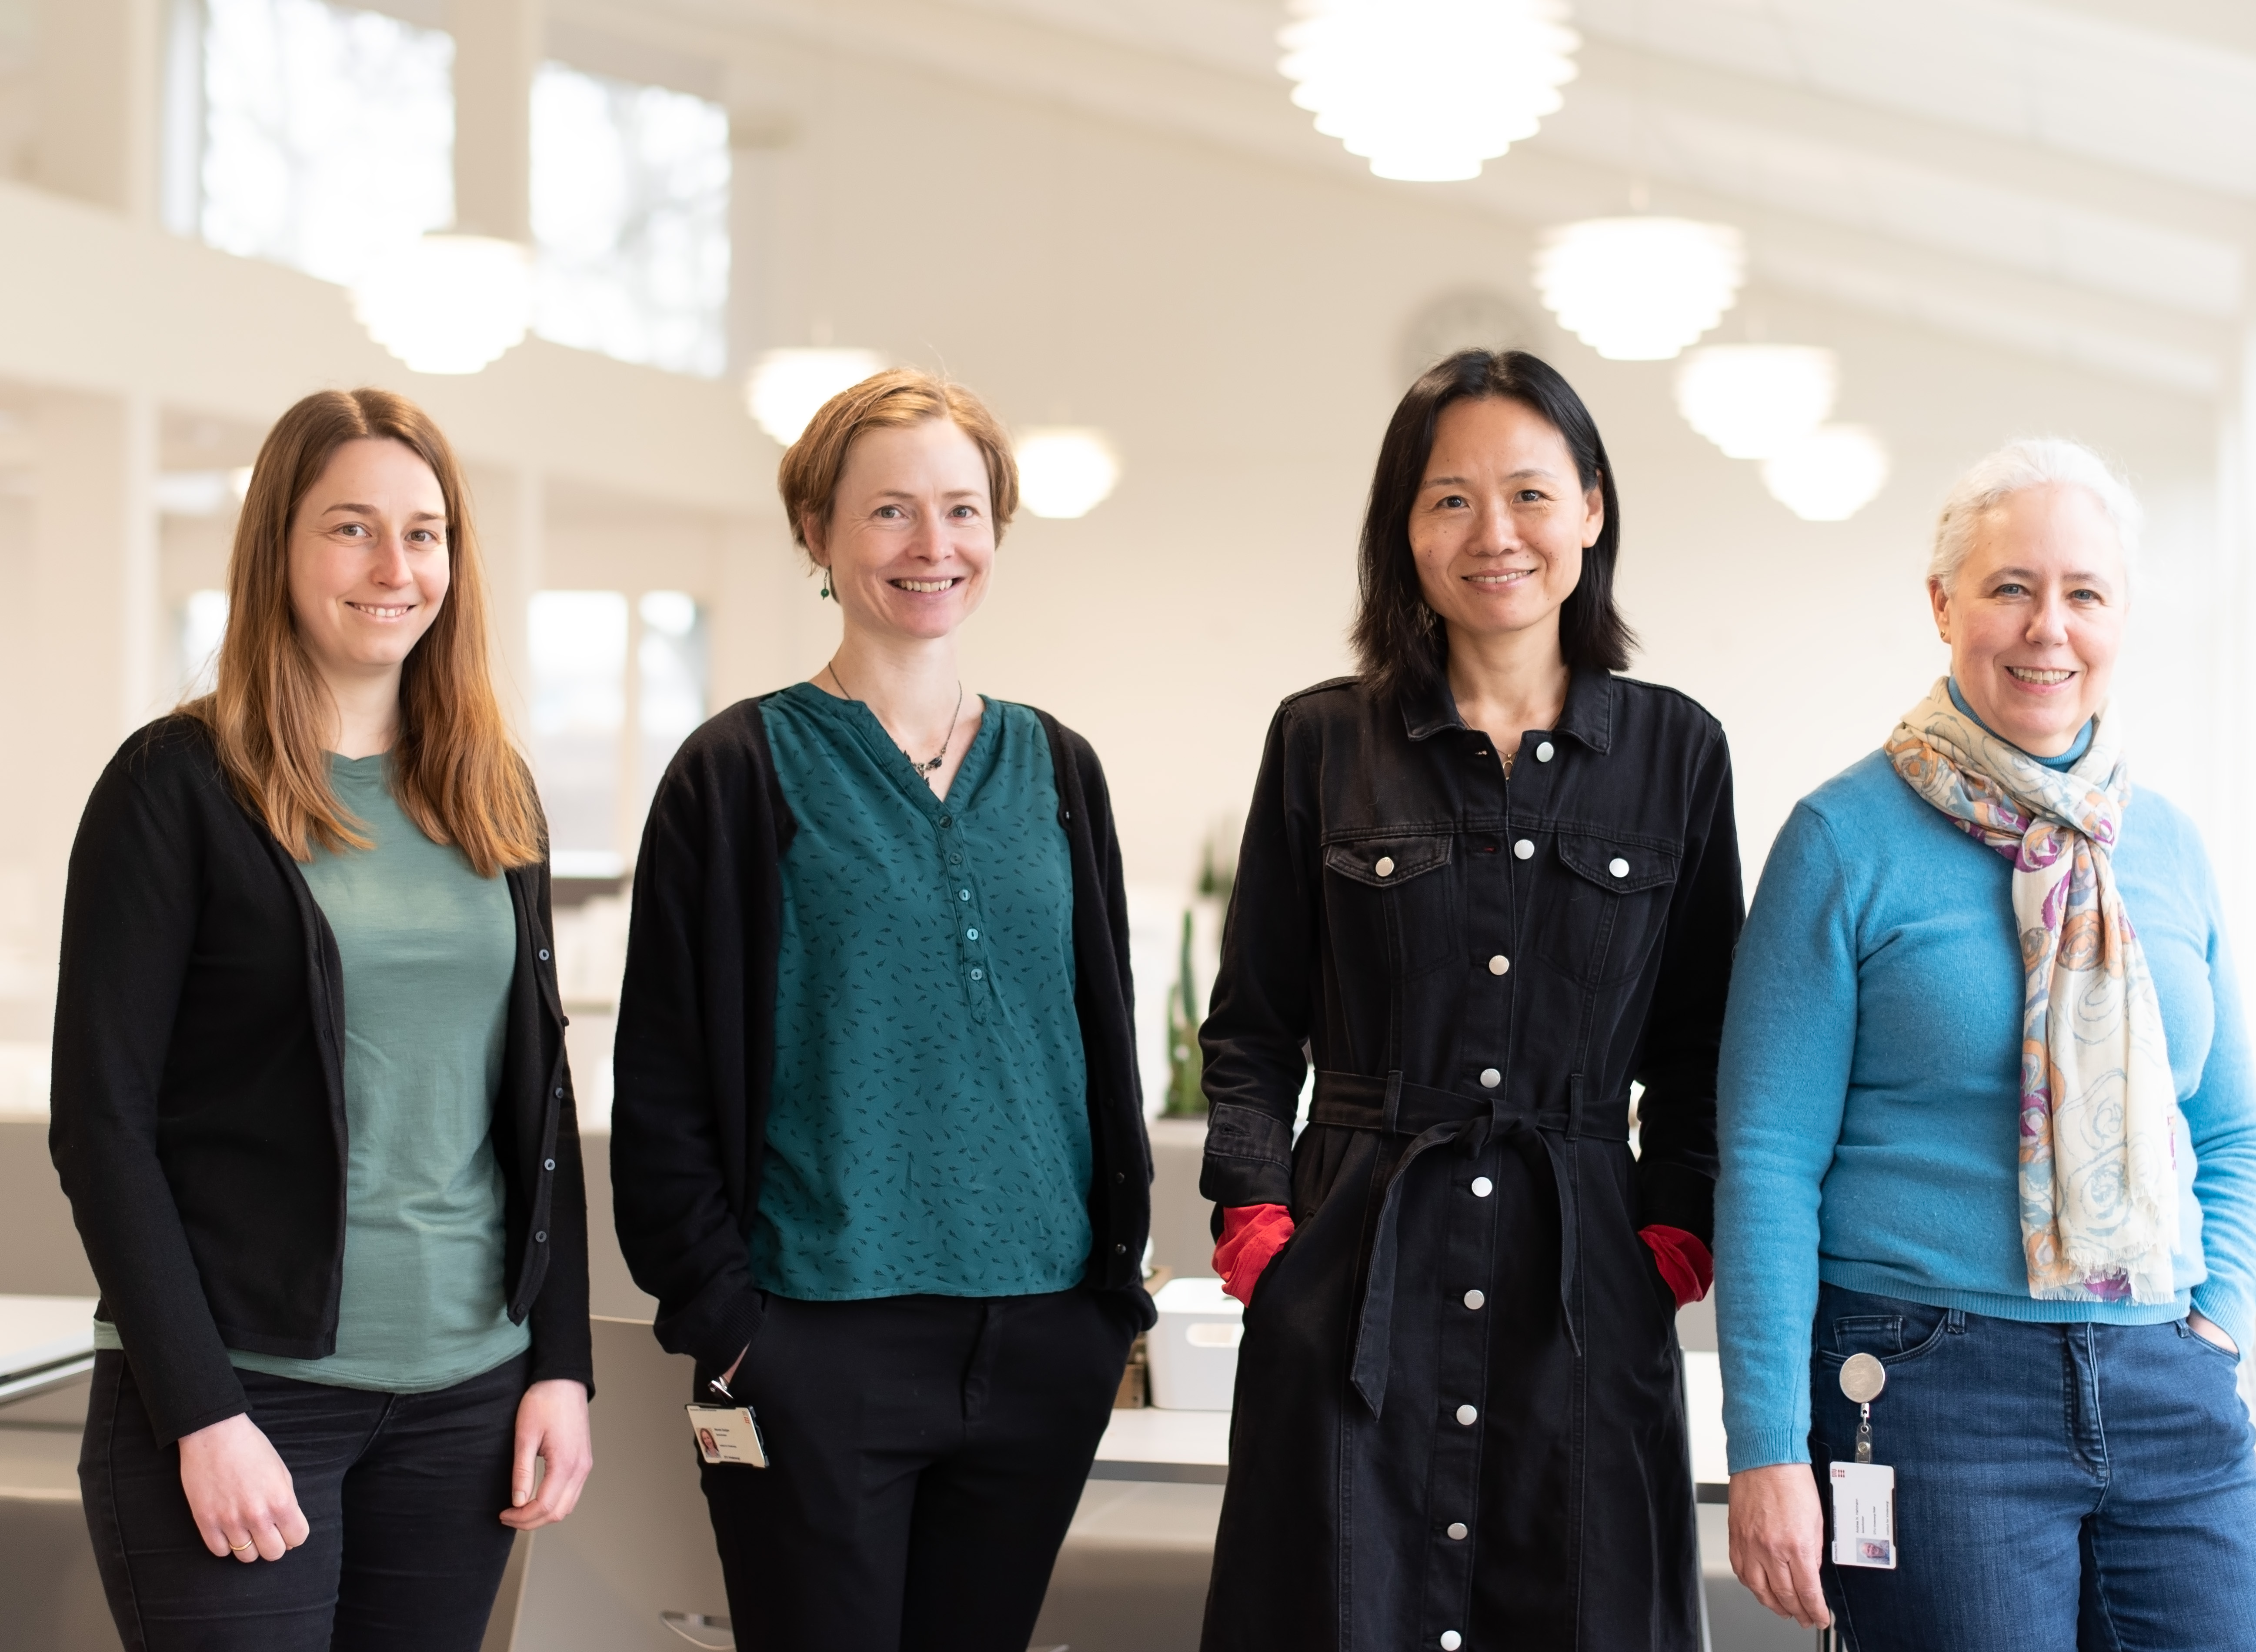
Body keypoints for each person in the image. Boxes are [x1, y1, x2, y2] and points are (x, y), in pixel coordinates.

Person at [1196, 350, 1742, 1651]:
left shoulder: (1676, 753)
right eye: (1448, 499)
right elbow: (1251, 1028)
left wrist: (1668, 1236)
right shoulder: (1322, 740)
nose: (1492, 535)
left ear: (1592, 509)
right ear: (1402, 528)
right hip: (1353, 1275)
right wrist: (1257, 1228)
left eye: (1529, 495)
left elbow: (1704, 1040)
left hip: (1584, 1286)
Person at [610, 368, 1153, 1652]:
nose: (932, 547)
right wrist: (733, 1330)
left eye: (961, 511)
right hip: (815, 1341)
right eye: (890, 512)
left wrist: (1105, 1303)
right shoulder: (738, 771)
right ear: (817, 532)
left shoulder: (1058, 766)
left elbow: (1101, 1039)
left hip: (1040, 1339)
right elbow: (665, 1081)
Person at [1716, 438, 2256, 1650]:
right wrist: (1765, 1447)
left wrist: (2216, 1319)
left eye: (2083, 593)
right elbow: (1766, 1161)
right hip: (1930, 1394)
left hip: (2166, 1380)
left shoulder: (2166, 847)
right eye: (2009, 587)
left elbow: (2233, 1127)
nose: (2048, 629)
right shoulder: (1840, 840)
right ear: (1941, 604)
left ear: (2118, 615)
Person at [51, 389, 595, 1652]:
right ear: (278, 550)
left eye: (425, 531)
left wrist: (558, 1362)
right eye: (350, 528)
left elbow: (538, 1100)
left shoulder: (490, 788)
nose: (395, 568)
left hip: (468, 1395)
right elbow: (102, 1124)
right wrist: (199, 1411)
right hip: (247, 1396)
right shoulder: (174, 786)